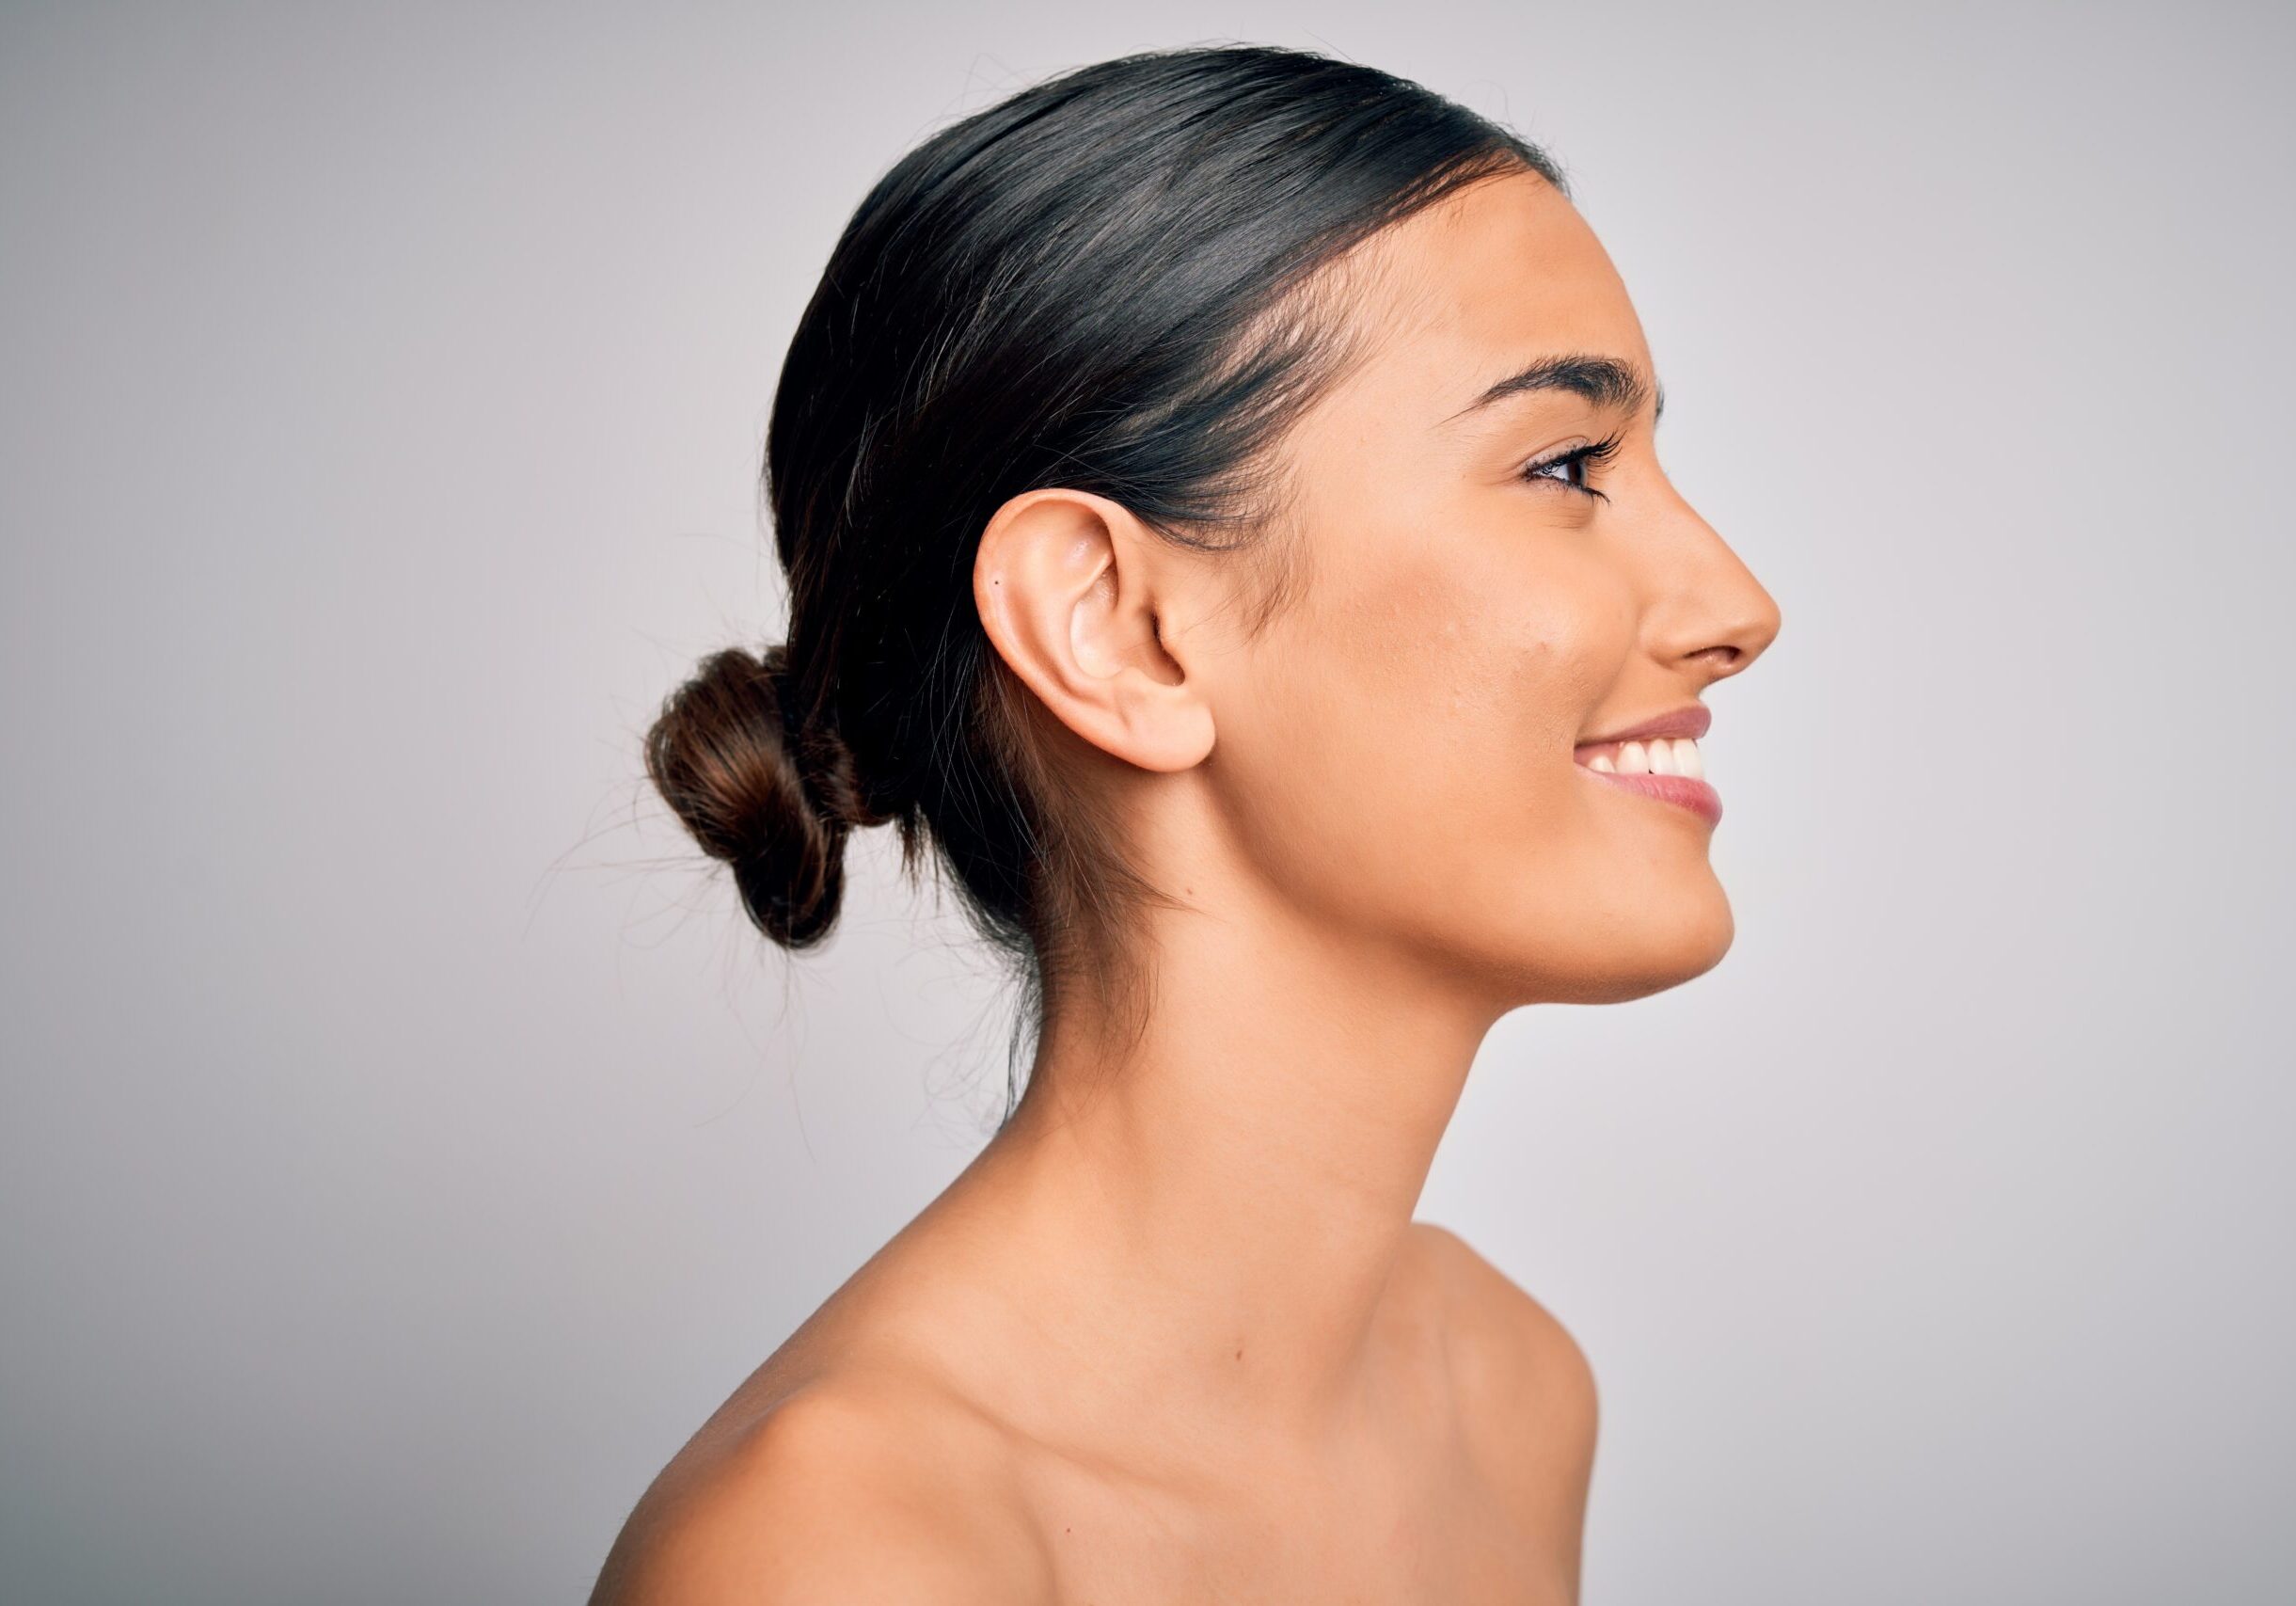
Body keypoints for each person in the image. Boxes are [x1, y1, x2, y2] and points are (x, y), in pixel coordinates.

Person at [590, 41, 1781, 1605]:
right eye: (1564, 463)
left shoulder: (1507, 1394)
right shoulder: (837, 1557)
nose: (1736, 608)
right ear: (1117, 629)